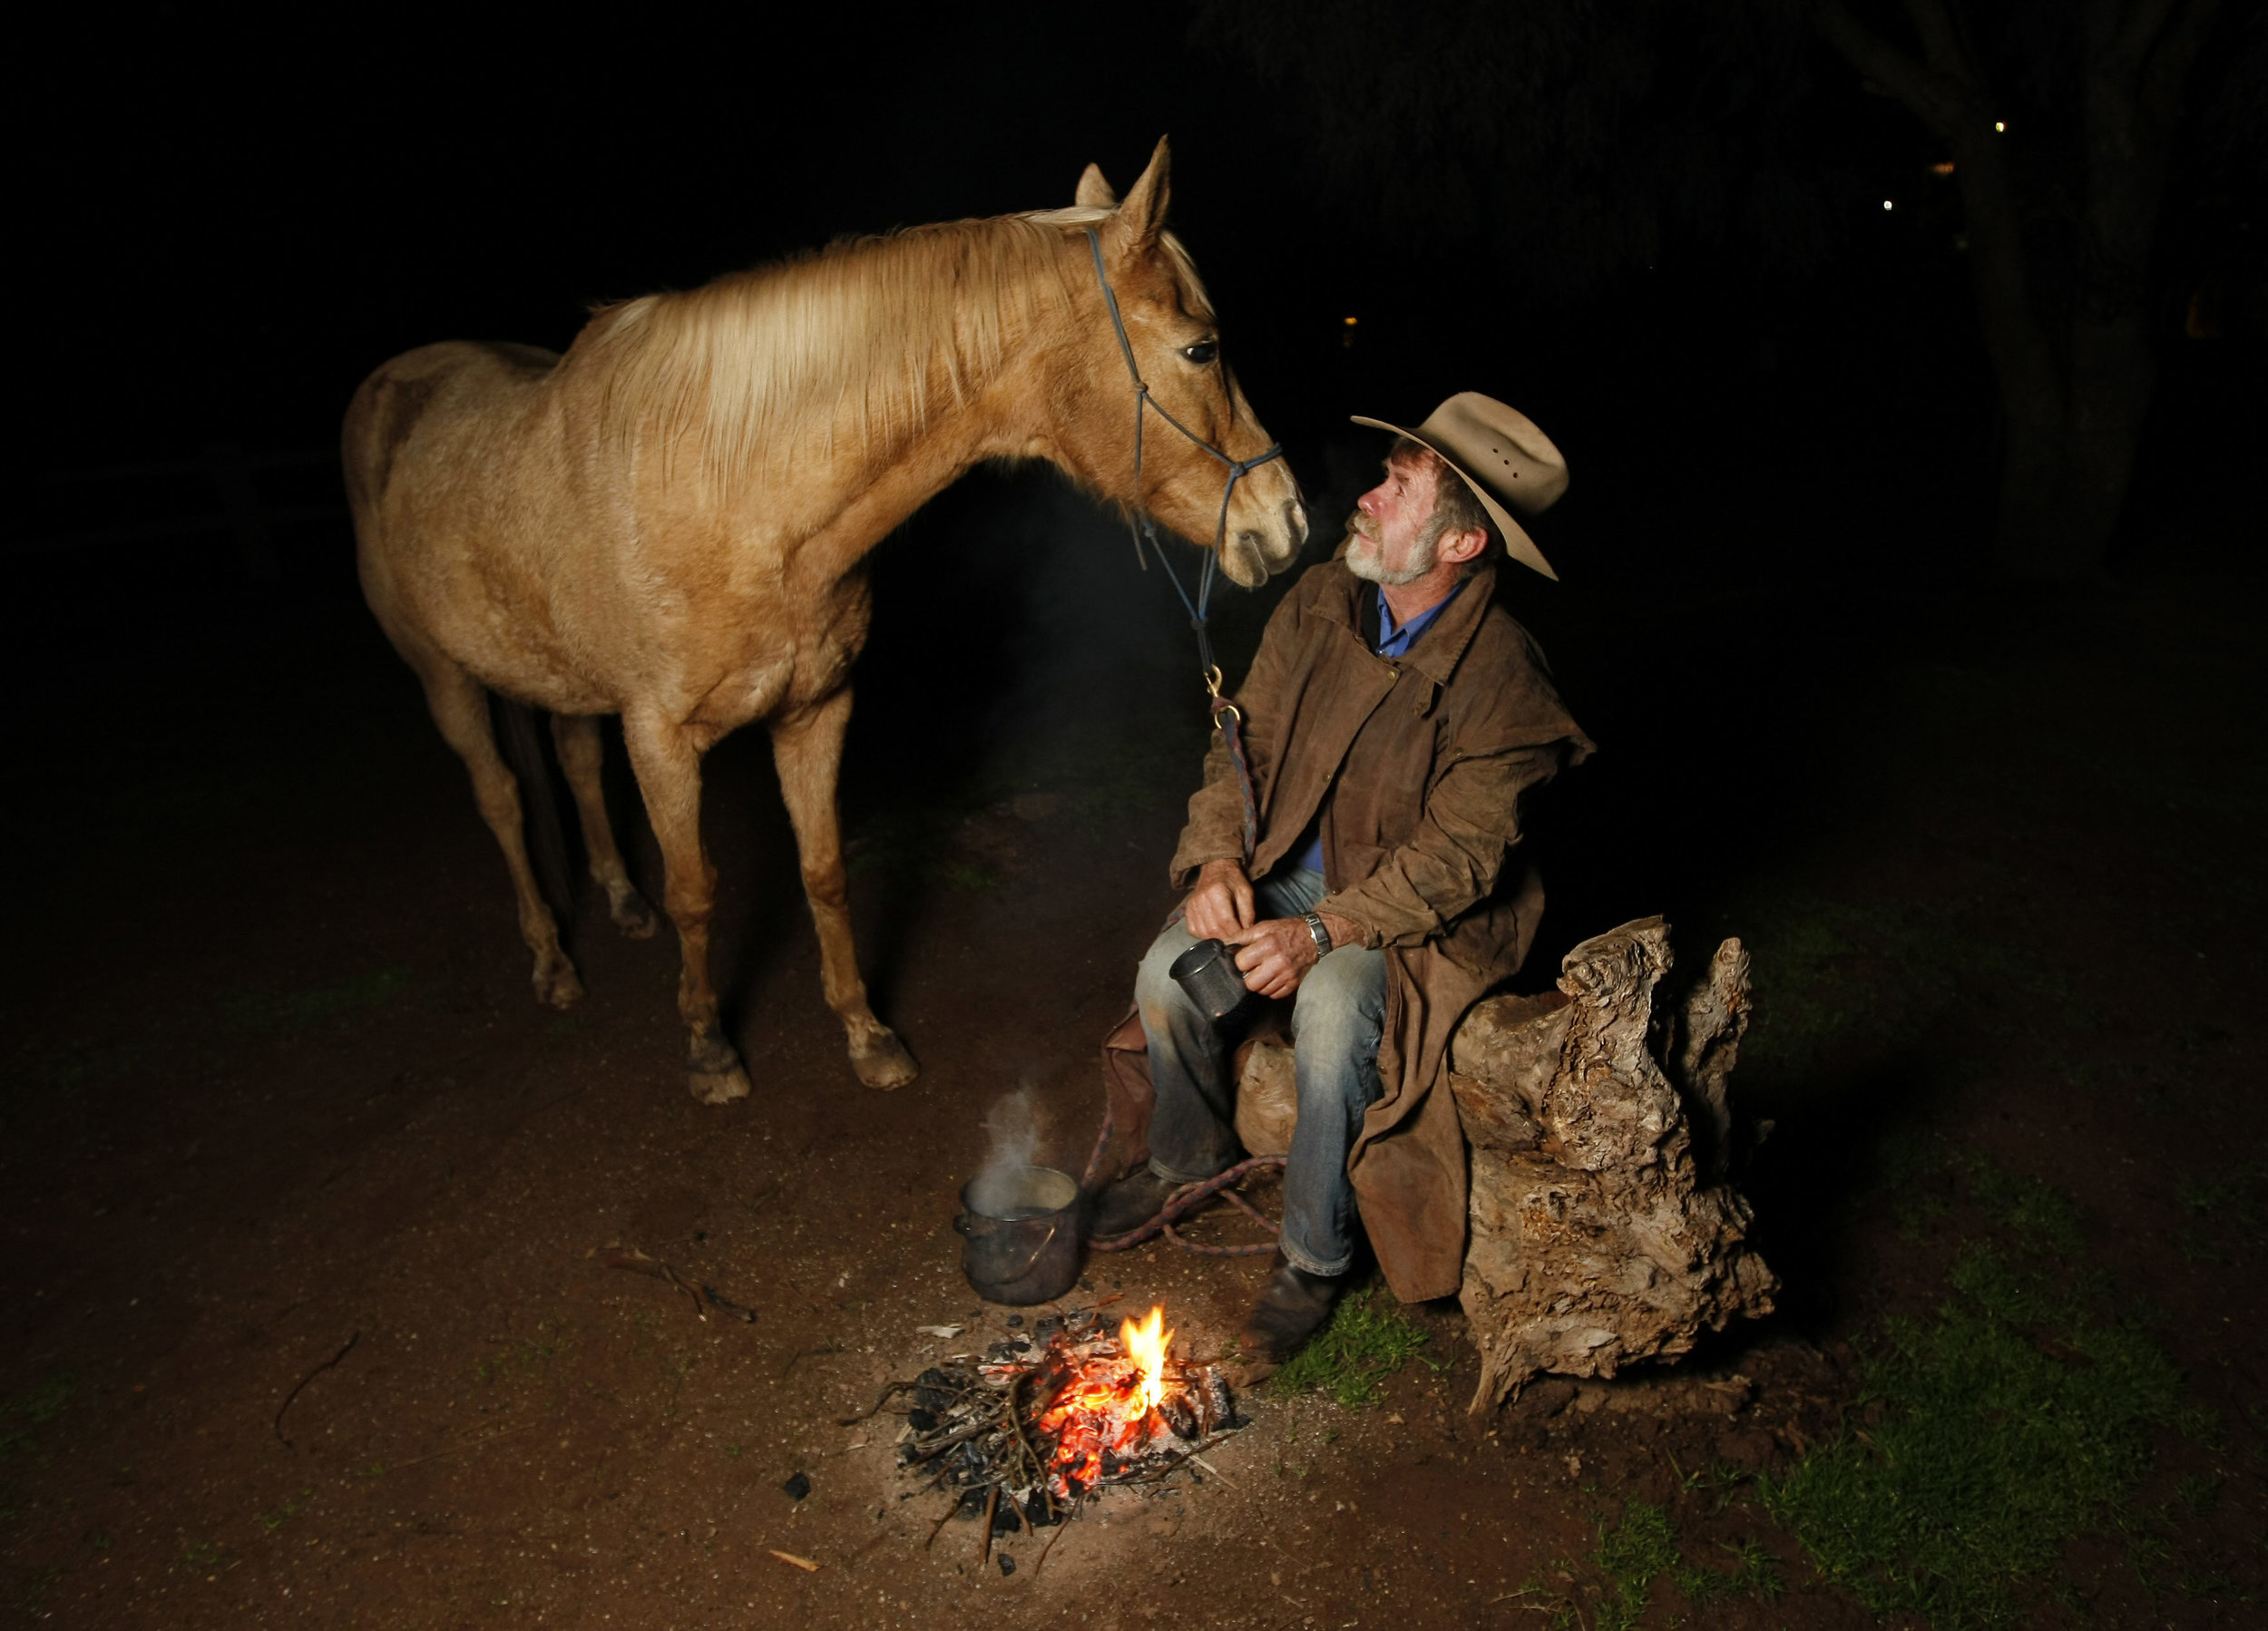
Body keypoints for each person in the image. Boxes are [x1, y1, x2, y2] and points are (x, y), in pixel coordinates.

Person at [1092, 393, 1595, 1363]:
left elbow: (1458, 859)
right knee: (1166, 972)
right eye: (1383, 476)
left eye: (1397, 487)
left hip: (1411, 915)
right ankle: (1182, 1160)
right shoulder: (1326, 598)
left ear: (1460, 544)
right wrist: (1219, 856)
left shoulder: (1505, 681)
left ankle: (1314, 1257)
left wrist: (1319, 934)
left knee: (1331, 1015)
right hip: (1284, 868)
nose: (1364, 497)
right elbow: (1245, 738)